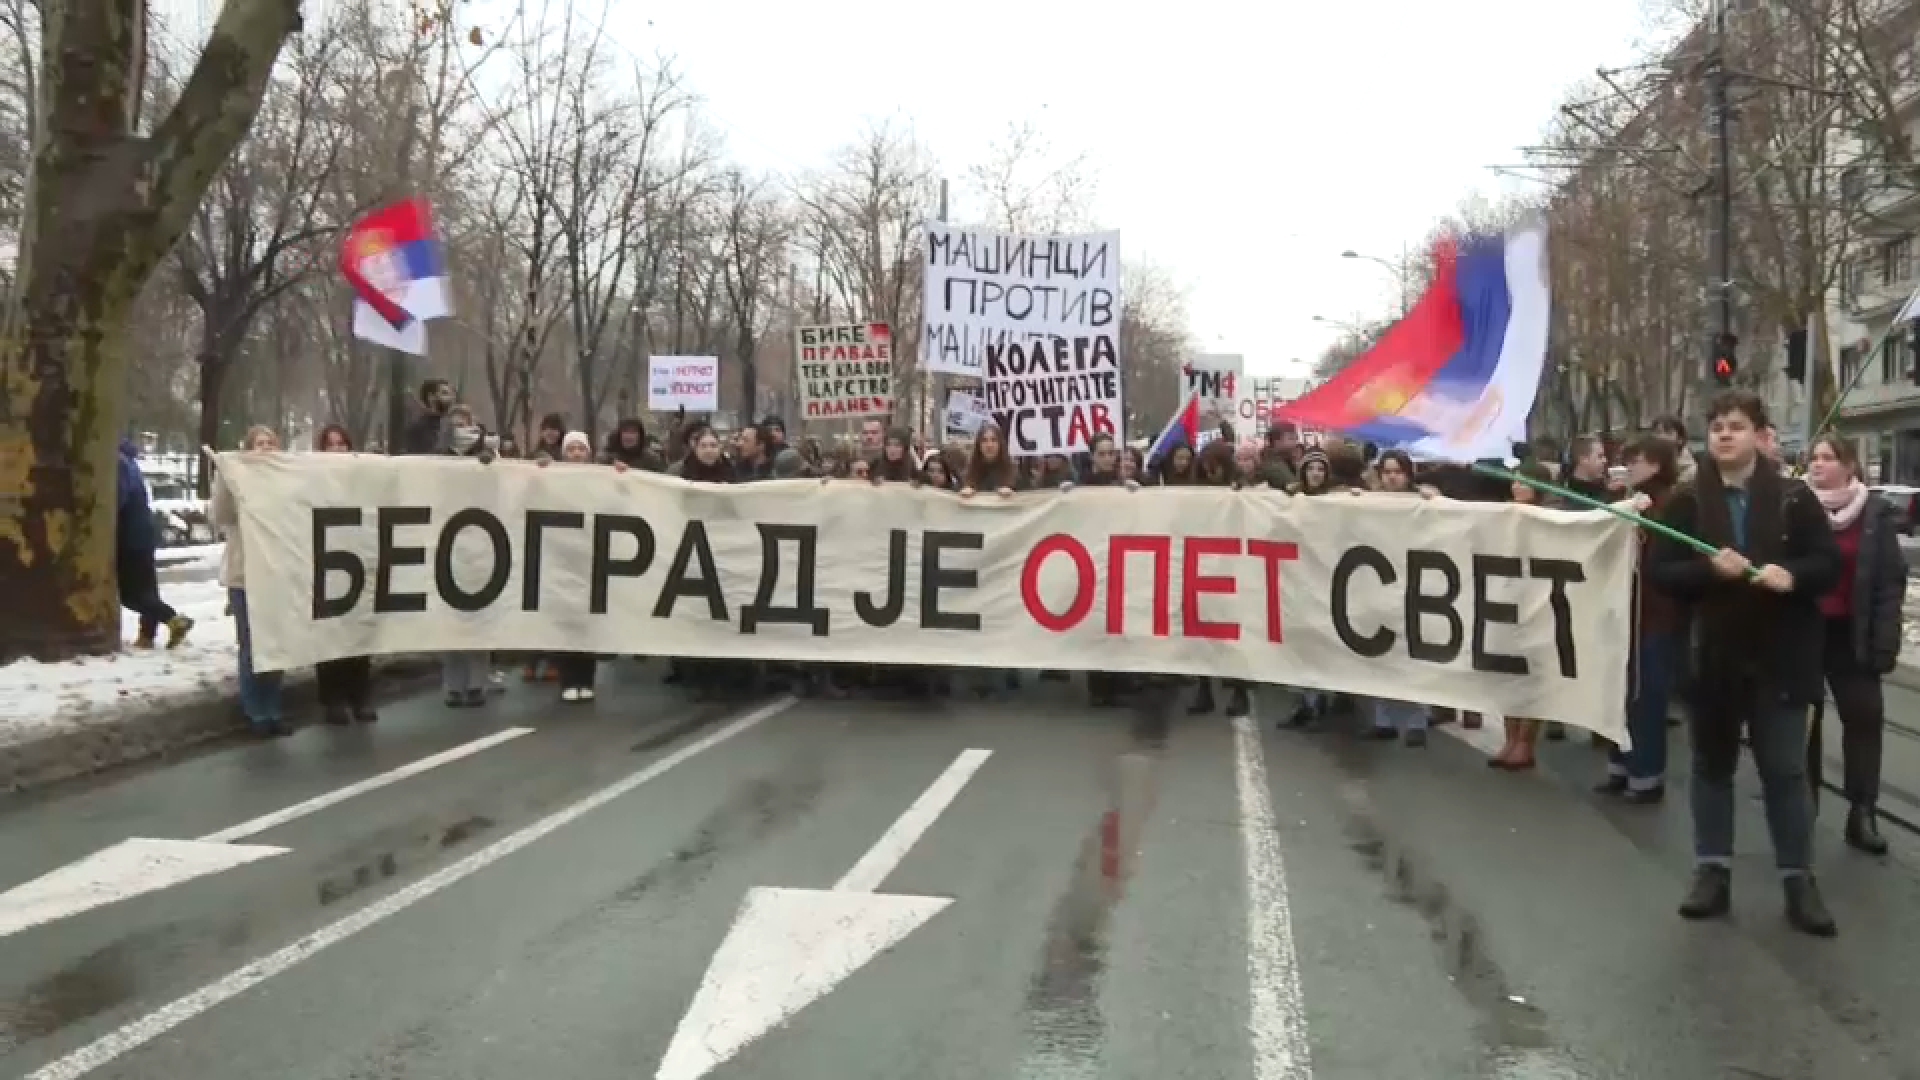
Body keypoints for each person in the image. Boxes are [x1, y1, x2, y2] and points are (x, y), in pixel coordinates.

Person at [1647, 390, 1840, 937]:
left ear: (1759, 435)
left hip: (1781, 659)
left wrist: (1792, 574)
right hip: (1712, 657)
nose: (1724, 435)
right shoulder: (1686, 499)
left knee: (1785, 771)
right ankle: (1712, 872)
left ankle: (1798, 880)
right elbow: (1663, 572)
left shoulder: (1793, 499)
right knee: (1711, 768)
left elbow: (1825, 564)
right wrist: (1711, 570)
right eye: (1716, 427)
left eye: (1735, 426)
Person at [1804, 433, 1907, 855]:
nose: (1817, 465)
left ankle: (1862, 811)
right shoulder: (1797, 508)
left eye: (1827, 458)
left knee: (1864, 721)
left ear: (1849, 466)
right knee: (1803, 724)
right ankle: (1801, 805)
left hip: (1853, 633)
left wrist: (1885, 641)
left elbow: (1888, 582)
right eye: (1813, 458)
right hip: (1805, 632)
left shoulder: (1875, 514)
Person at [1595, 436, 1682, 800]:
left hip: (1655, 615)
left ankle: (1647, 774)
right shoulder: (1625, 503)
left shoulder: (1672, 505)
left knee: (1645, 695)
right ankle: (1620, 765)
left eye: (1636, 459)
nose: (1628, 466)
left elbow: (1669, 553)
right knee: (1619, 693)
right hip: (1624, 611)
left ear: (1657, 465)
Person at [209, 425, 289, 737]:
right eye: (259, 443)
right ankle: (255, 711)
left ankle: (273, 709)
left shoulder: (285, 483)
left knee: (276, 645)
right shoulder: (236, 479)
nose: (265, 448)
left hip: (278, 575)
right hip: (245, 576)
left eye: (270, 443)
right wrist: (226, 478)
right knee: (251, 645)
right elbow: (220, 516)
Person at [1359, 450, 1432, 746]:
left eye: (1397, 472)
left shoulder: (1423, 503)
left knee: (1412, 656)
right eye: (1386, 471)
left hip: (1414, 585)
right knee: (1380, 654)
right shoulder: (1371, 501)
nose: (1391, 477)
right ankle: (1383, 719)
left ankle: (1417, 721)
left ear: (1407, 474)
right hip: (1380, 584)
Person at [312, 424, 377, 724]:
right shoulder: (310, 478)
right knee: (328, 634)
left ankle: (360, 695)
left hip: (357, 562)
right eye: (331, 444)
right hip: (324, 563)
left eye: (342, 444)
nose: (336, 450)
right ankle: (333, 699)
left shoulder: (362, 478)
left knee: (358, 633)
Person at [438, 406, 497, 707]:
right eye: (456, 424)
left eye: (466, 424)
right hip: (446, 544)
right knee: (450, 620)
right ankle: (453, 685)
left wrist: (489, 464)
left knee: (479, 617)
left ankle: (477, 682)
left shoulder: (489, 457)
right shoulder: (435, 457)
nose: (461, 429)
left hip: (482, 543)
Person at [118, 439, 193, 649]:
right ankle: (147, 635)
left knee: (129, 595)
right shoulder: (130, 463)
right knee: (147, 590)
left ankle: (174, 620)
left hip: (129, 538)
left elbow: (116, 500)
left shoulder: (118, 463)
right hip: (143, 535)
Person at [401, 378, 454, 455]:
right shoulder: (417, 426)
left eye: (451, 394)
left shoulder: (447, 425)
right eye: (444, 393)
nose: (450, 398)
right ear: (431, 397)